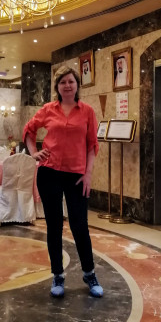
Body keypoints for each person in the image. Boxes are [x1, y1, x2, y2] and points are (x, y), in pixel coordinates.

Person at [23, 65, 103, 298]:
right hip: (49, 172)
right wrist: (34, 153)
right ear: (57, 87)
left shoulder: (87, 111)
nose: (67, 85)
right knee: (54, 225)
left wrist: (88, 174)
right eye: (62, 82)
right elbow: (29, 130)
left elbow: (92, 145)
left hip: (77, 175)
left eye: (71, 81)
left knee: (80, 225)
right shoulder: (48, 109)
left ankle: (89, 273)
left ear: (77, 85)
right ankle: (57, 275)